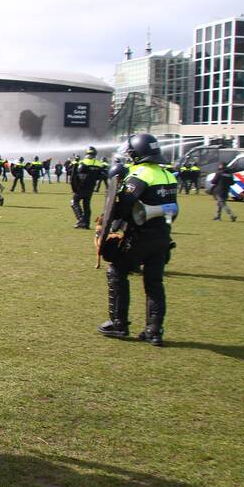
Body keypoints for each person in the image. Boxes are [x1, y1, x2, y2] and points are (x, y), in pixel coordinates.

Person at [97, 133, 178, 346]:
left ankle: (118, 323)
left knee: (116, 271)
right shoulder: (167, 174)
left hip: (141, 235)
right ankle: (154, 330)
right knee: (154, 282)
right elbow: (173, 209)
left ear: (137, 153)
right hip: (162, 235)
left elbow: (122, 207)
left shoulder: (140, 174)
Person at [70, 147, 105, 229]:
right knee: (86, 204)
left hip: (81, 187)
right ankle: (87, 223)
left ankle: (81, 219)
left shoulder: (83, 162)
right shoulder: (99, 164)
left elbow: (76, 174)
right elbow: (102, 175)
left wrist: (76, 161)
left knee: (74, 202)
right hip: (91, 187)